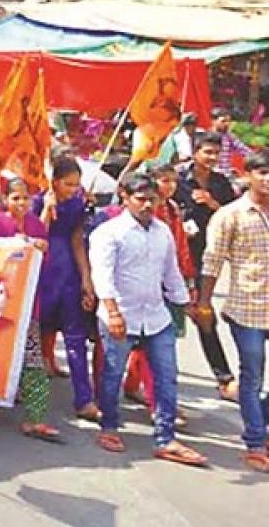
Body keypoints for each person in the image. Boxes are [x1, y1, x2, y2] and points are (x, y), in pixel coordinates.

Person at [90, 173, 206, 467]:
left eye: (151, 199)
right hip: (121, 315)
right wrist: (113, 312)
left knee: (167, 376)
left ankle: (165, 438)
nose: (146, 205)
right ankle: (110, 427)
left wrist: (188, 305)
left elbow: (171, 273)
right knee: (112, 375)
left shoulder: (162, 231)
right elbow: (102, 276)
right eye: (140, 199)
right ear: (125, 198)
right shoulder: (108, 233)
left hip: (155, 315)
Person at [199, 149, 269, 473]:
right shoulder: (231, 215)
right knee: (252, 377)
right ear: (249, 176)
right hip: (247, 310)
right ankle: (255, 441)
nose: (267, 180)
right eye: (263, 173)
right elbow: (212, 260)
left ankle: (260, 418)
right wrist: (204, 302)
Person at [0, 178, 58, 442]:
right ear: (5, 199)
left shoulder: (37, 225)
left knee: (33, 359)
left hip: (28, 302)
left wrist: (40, 248)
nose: (21, 203)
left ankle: (35, 418)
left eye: (26, 198)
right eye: (15, 198)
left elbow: (44, 262)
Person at [31, 157, 100, 421]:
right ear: (55, 182)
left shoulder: (78, 203)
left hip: (67, 271)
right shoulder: (38, 200)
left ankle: (84, 398)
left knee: (76, 336)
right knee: (33, 334)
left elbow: (77, 240)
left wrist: (86, 278)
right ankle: (27, 396)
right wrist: (46, 212)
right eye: (69, 184)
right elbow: (37, 236)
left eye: (77, 184)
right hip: (42, 271)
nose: (74, 189)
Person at [174, 131, 239, 400]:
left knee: (204, 314)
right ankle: (141, 381)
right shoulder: (177, 178)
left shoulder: (221, 183)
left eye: (215, 153)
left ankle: (224, 378)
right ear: (196, 151)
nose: (211, 158)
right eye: (206, 152)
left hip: (204, 259)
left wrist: (213, 204)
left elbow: (234, 216)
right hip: (173, 257)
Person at [211, 106, 251, 177]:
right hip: (211, 174)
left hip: (226, 175)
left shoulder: (229, 137)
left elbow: (244, 150)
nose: (227, 124)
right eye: (223, 121)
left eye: (228, 121)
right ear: (213, 121)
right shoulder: (205, 137)